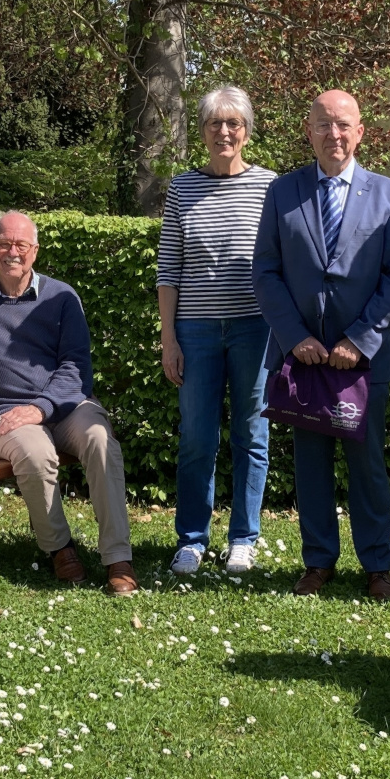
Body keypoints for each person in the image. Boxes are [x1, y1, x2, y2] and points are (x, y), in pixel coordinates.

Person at [252, 89, 390, 601]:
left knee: (367, 465)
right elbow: (266, 272)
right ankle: (318, 561)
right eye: (323, 125)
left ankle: (377, 567)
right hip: (303, 359)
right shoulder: (283, 192)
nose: (334, 134)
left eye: (343, 124)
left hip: (362, 360)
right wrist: (294, 337)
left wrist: (359, 339)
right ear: (309, 131)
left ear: (360, 131)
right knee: (311, 463)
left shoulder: (389, 195)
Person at [0, 211, 137, 596]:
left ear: (35, 251)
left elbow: (76, 366)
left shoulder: (61, 297)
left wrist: (43, 407)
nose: (13, 252)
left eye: (21, 245)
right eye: (4, 244)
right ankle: (59, 547)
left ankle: (118, 556)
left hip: (65, 404)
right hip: (2, 413)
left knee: (100, 439)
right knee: (34, 451)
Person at [157, 85, 276, 577]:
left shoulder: (271, 185)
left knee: (252, 433)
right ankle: (191, 539)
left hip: (255, 329)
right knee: (196, 438)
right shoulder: (182, 188)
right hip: (196, 331)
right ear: (201, 131)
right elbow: (169, 267)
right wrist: (169, 338)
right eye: (213, 123)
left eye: (233, 123)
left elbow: (283, 262)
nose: (223, 132)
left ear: (247, 130)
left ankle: (244, 539)